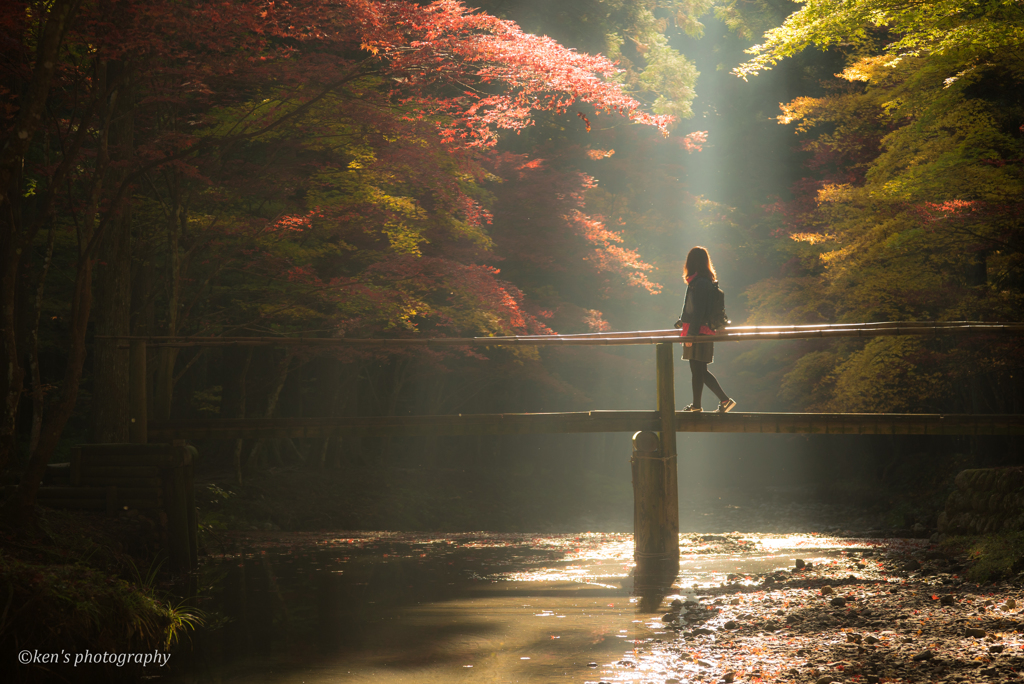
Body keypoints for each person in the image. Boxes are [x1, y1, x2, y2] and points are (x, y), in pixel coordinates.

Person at [674, 246, 736, 413]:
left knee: (698, 370)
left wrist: (690, 335)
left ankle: (703, 405)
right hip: (702, 330)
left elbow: (699, 310)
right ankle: (707, 404)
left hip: (698, 331)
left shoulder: (700, 283)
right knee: (699, 370)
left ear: (691, 262)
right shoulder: (702, 281)